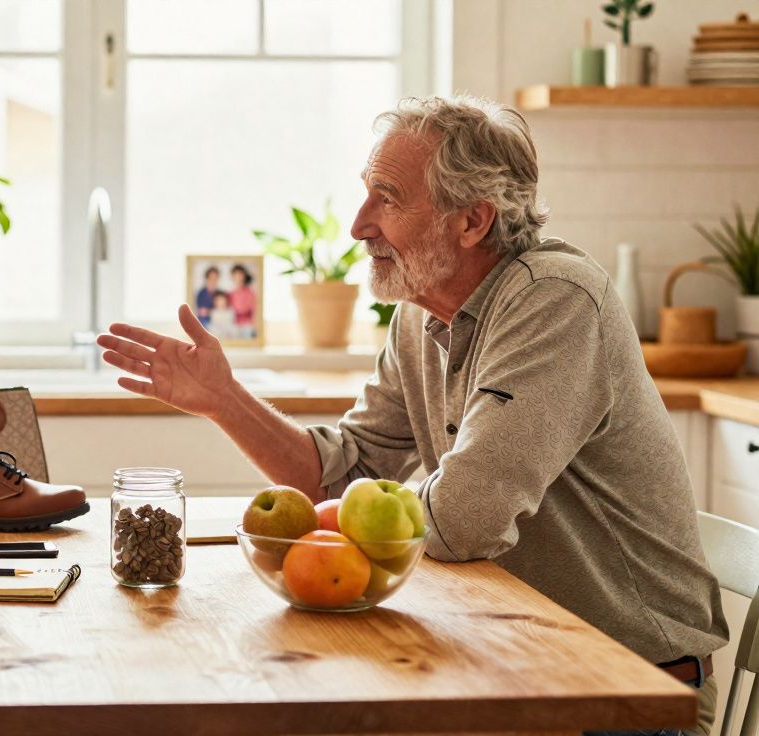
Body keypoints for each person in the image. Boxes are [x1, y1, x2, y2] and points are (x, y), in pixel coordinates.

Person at [99, 95, 726, 736]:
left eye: (388, 198)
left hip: (626, 695)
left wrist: (330, 526)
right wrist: (224, 399)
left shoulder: (555, 302)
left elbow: (462, 522)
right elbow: (341, 477)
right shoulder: (419, 314)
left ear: (472, 221)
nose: (358, 225)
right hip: (511, 664)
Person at [228, 263, 256, 337]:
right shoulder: (231, 294)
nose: (238, 277)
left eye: (240, 274)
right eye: (236, 275)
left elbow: (252, 309)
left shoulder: (250, 292)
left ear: (244, 276)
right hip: (234, 324)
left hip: (247, 324)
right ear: (232, 276)